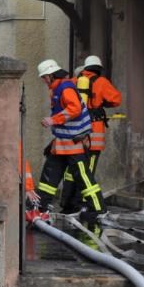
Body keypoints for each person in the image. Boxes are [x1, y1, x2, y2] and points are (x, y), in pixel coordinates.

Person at [28, 59, 106, 224]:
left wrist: (53, 120)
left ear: (51, 75)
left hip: (74, 144)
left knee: (83, 178)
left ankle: (98, 209)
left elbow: (75, 109)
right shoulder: (59, 88)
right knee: (49, 176)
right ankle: (40, 207)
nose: (44, 80)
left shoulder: (65, 88)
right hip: (63, 143)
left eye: (44, 77)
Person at [60, 55, 122, 213]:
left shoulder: (73, 82)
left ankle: (66, 201)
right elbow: (116, 99)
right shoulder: (102, 82)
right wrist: (101, 103)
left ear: (85, 68)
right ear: (99, 69)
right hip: (94, 133)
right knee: (88, 169)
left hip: (75, 131)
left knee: (73, 168)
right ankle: (82, 202)